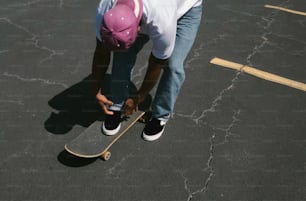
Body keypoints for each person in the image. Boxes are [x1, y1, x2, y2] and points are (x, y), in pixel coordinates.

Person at [93, 0, 203, 141]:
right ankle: (117, 103)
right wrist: (96, 89)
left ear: (139, 30)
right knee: (122, 54)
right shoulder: (105, 8)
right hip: (149, 13)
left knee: (173, 65)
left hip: (186, 9)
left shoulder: (162, 18)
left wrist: (139, 97)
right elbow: (101, 52)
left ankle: (160, 115)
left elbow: (157, 62)